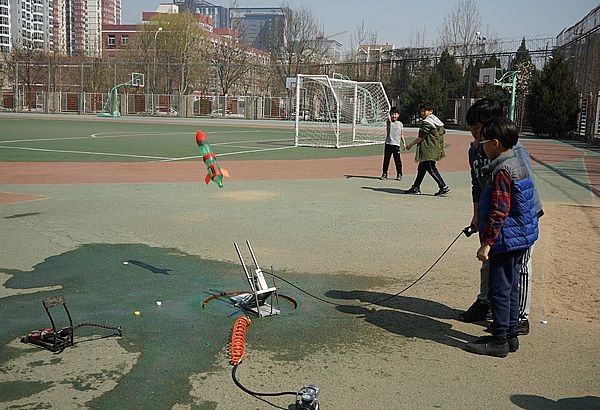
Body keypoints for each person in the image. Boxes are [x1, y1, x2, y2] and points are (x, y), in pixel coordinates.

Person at [459, 98, 543, 337]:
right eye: (472, 128)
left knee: (518, 268)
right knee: (490, 262)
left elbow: (524, 189)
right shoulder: (476, 149)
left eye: (478, 128)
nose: (475, 133)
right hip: (493, 215)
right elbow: (477, 183)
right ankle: (487, 302)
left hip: (517, 218)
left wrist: (515, 221)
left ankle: (518, 317)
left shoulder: (514, 153)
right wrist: (477, 215)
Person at [404, 102, 450, 196]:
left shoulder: (427, 122)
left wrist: (410, 145)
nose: (423, 113)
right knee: (422, 168)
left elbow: (421, 137)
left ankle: (443, 186)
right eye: (422, 111)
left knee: (431, 168)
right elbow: (443, 132)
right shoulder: (437, 121)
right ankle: (416, 187)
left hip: (429, 149)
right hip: (435, 148)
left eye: (425, 111)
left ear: (431, 111)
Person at [380, 107, 406, 180]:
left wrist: (404, 143)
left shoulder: (400, 124)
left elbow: (401, 134)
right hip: (388, 144)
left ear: (398, 115)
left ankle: (399, 174)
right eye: (392, 114)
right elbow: (387, 119)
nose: (393, 116)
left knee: (397, 161)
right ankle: (384, 173)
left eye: (395, 114)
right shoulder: (389, 122)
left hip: (396, 145)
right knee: (386, 160)